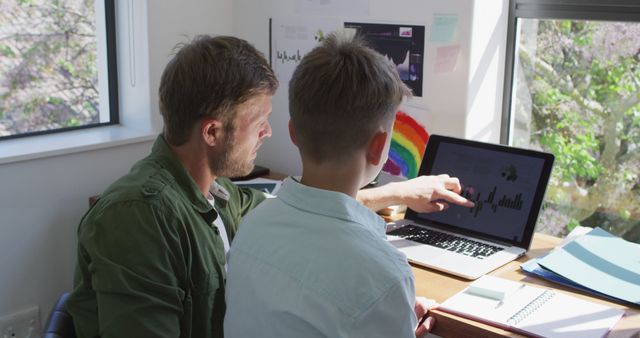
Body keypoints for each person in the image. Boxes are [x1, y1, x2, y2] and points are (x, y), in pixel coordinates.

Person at [67, 34, 471, 338]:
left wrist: (398, 194)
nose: (268, 132)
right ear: (212, 132)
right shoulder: (139, 216)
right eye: (258, 120)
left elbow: (304, 205)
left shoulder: (217, 194)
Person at [224, 32, 472, 338]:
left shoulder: (251, 226)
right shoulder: (383, 277)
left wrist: (392, 315)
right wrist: (390, 310)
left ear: (294, 133)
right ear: (380, 146)